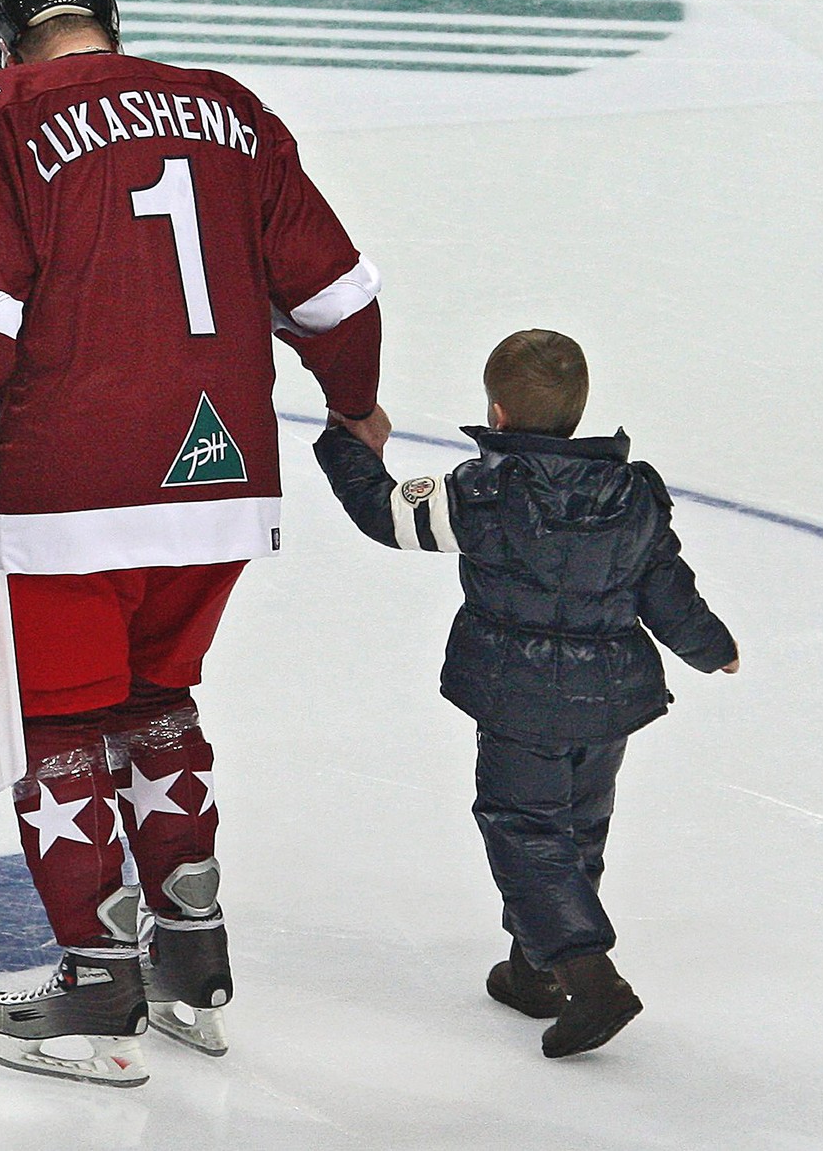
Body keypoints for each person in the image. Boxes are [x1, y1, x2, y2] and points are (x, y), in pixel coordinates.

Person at [0, 0, 384, 1086]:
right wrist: (355, 402)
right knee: (157, 697)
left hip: (75, 488)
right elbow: (335, 296)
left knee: (61, 722)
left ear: (6, 39)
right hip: (223, 482)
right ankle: (191, 959)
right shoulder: (228, 107)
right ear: (110, 26)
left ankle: (97, 984)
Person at [313, 329, 738, 1058]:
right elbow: (666, 586)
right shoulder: (633, 492)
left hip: (518, 696)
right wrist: (712, 646)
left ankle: (588, 976)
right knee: (577, 825)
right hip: (608, 700)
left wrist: (348, 444)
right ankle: (535, 971)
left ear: (498, 413)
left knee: (523, 827)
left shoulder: (484, 491)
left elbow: (388, 516)